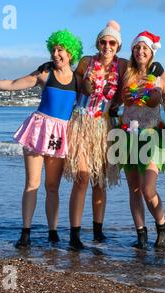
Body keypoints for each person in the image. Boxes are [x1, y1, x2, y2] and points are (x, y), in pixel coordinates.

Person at [0, 29, 83, 248]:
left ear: (71, 53)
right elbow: (13, 84)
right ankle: (26, 232)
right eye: (53, 49)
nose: (56, 53)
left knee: (52, 187)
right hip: (38, 130)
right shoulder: (44, 73)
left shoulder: (78, 80)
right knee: (32, 183)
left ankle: (53, 232)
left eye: (61, 50)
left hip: (60, 134)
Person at [62, 21, 127, 249]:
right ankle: (75, 235)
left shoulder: (124, 65)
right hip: (81, 122)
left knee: (100, 182)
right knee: (81, 177)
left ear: (118, 45)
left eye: (112, 42)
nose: (107, 46)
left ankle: (98, 233)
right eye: (103, 41)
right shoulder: (86, 62)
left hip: (105, 125)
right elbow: (70, 83)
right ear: (97, 43)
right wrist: (85, 87)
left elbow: (140, 76)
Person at [119, 30, 165, 250]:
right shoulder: (127, 73)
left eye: (145, 48)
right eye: (137, 47)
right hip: (127, 134)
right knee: (134, 189)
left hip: (153, 135)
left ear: (152, 51)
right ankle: (141, 234)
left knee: (148, 189)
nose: (140, 51)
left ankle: (161, 226)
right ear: (132, 50)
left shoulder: (163, 77)